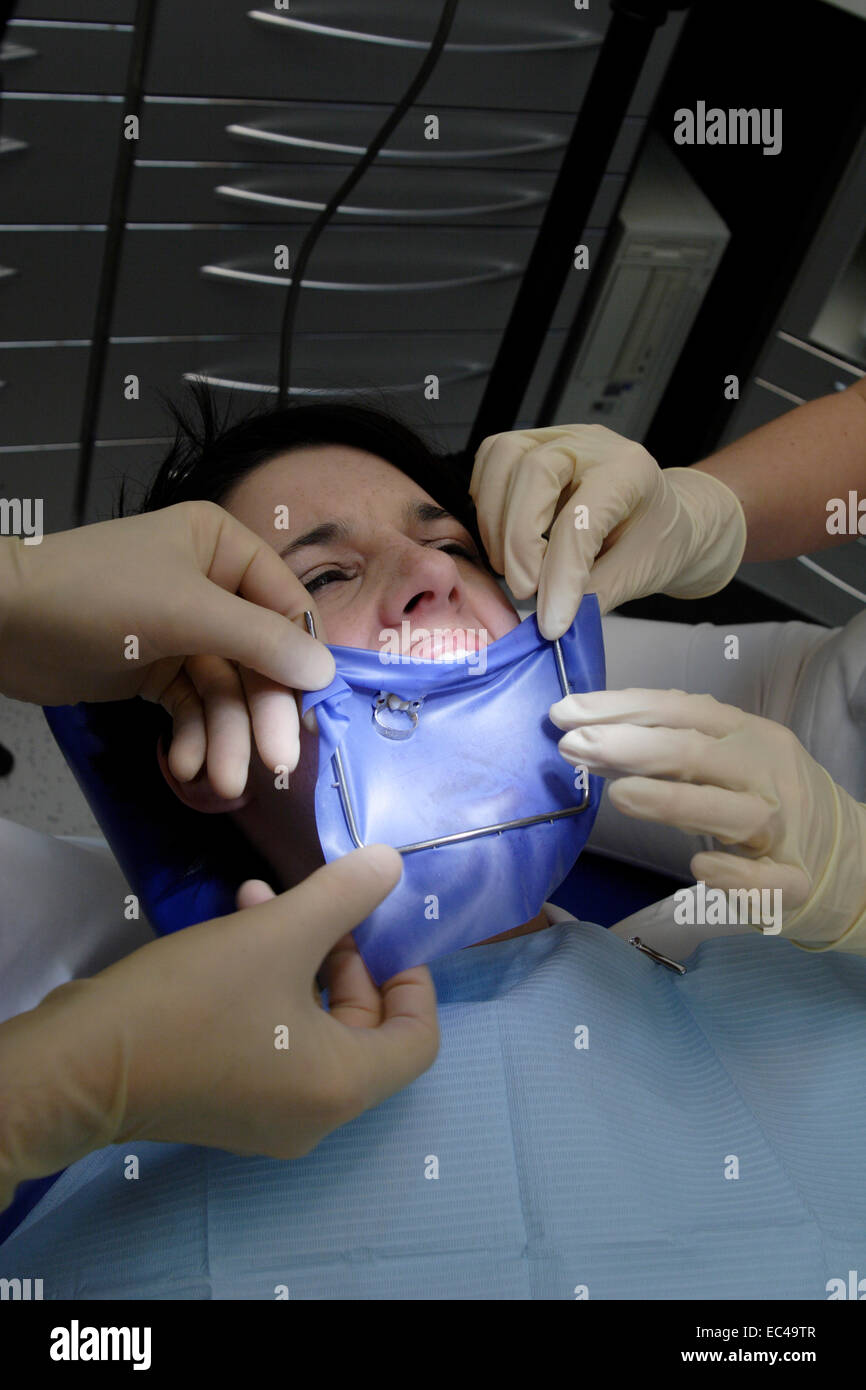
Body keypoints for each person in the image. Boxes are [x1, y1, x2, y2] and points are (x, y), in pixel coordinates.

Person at [1, 388, 865, 1301]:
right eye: (324, 575)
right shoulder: (115, 1149)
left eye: (454, 544)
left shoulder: (772, 934)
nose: (432, 573)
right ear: (204, 755)